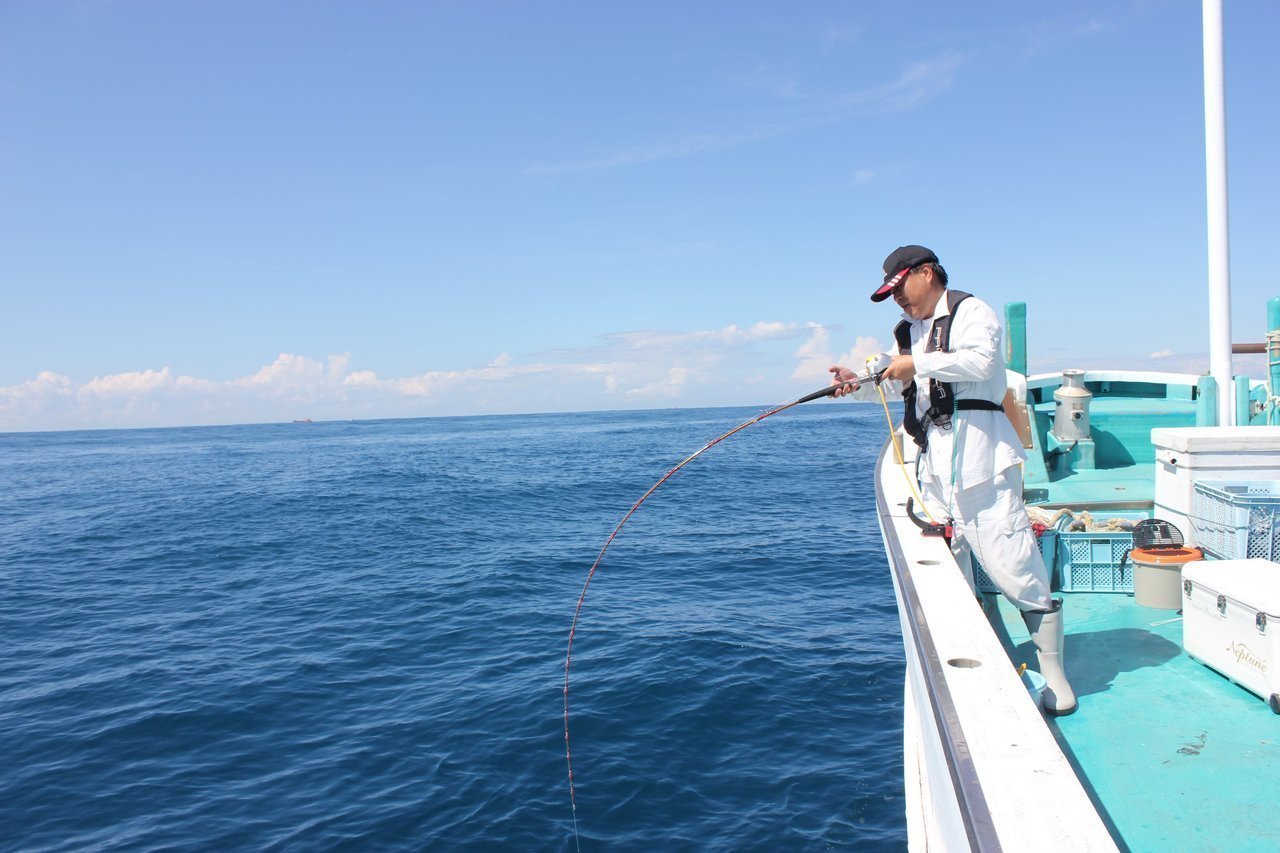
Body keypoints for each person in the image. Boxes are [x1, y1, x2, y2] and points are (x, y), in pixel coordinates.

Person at [829, 245, 1077, 716]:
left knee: (1014, 564)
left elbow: (981, 363)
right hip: (933, 466)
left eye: (901, 288)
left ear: (927, 273)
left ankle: (1057, 679)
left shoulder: (971, 311)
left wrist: (913, 364)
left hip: (982, 461)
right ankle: (973, 650)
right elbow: (892, 377)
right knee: (950, 557)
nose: (899, 300)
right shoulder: (907, 332)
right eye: (892, 294)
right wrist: (857, 380)